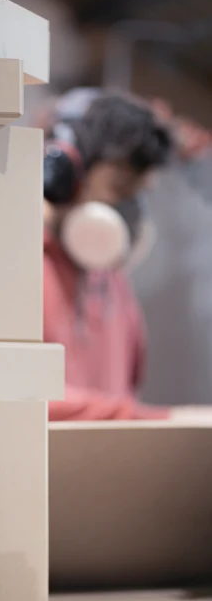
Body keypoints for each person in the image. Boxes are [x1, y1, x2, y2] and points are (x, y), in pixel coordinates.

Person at [42, 90, 212, 421]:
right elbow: (17, 401)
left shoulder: (113, 282)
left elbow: (127, 397)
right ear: (66, 175)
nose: (130, 209)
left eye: (139, 194)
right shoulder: (17, 266)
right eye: (120, 188)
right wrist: (166, 420)